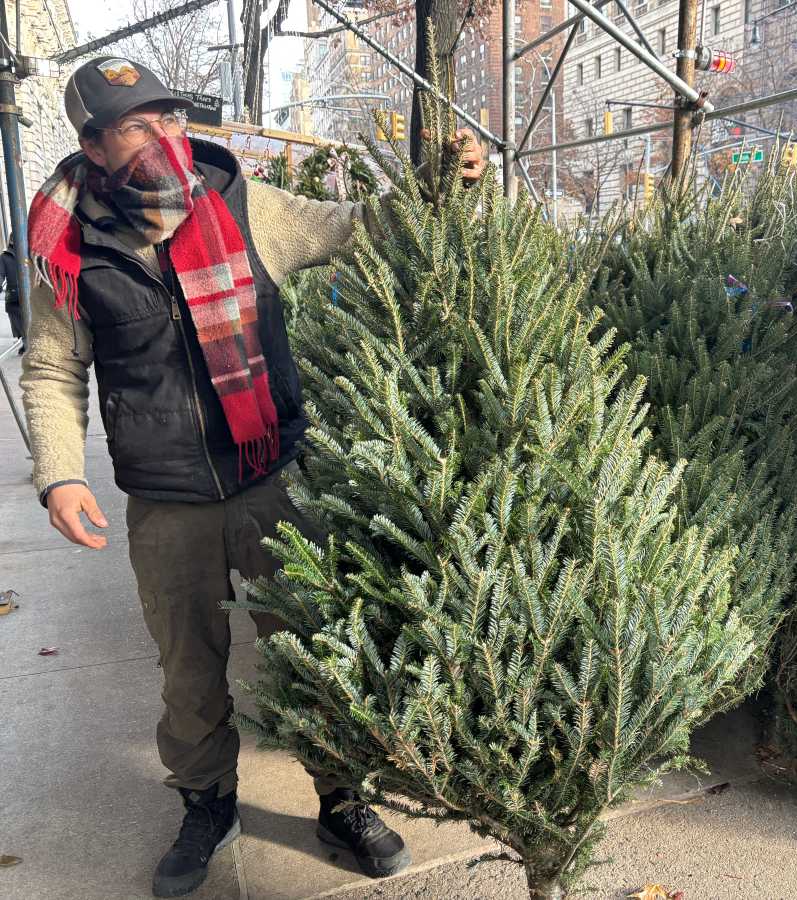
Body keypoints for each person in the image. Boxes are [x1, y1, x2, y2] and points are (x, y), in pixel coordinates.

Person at [19, 58, 484, 898]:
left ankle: (342, 796)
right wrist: (59, 474)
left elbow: (363, 225)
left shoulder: (242, 203)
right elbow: (52, 370)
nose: (164, 132)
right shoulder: (68, 244)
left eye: (166, 115)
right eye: (138, 122)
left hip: (274, 478)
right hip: (167, 503)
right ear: (91, 143)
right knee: (189, 669)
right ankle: (207, 803)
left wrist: (442, 182)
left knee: (314, 650)